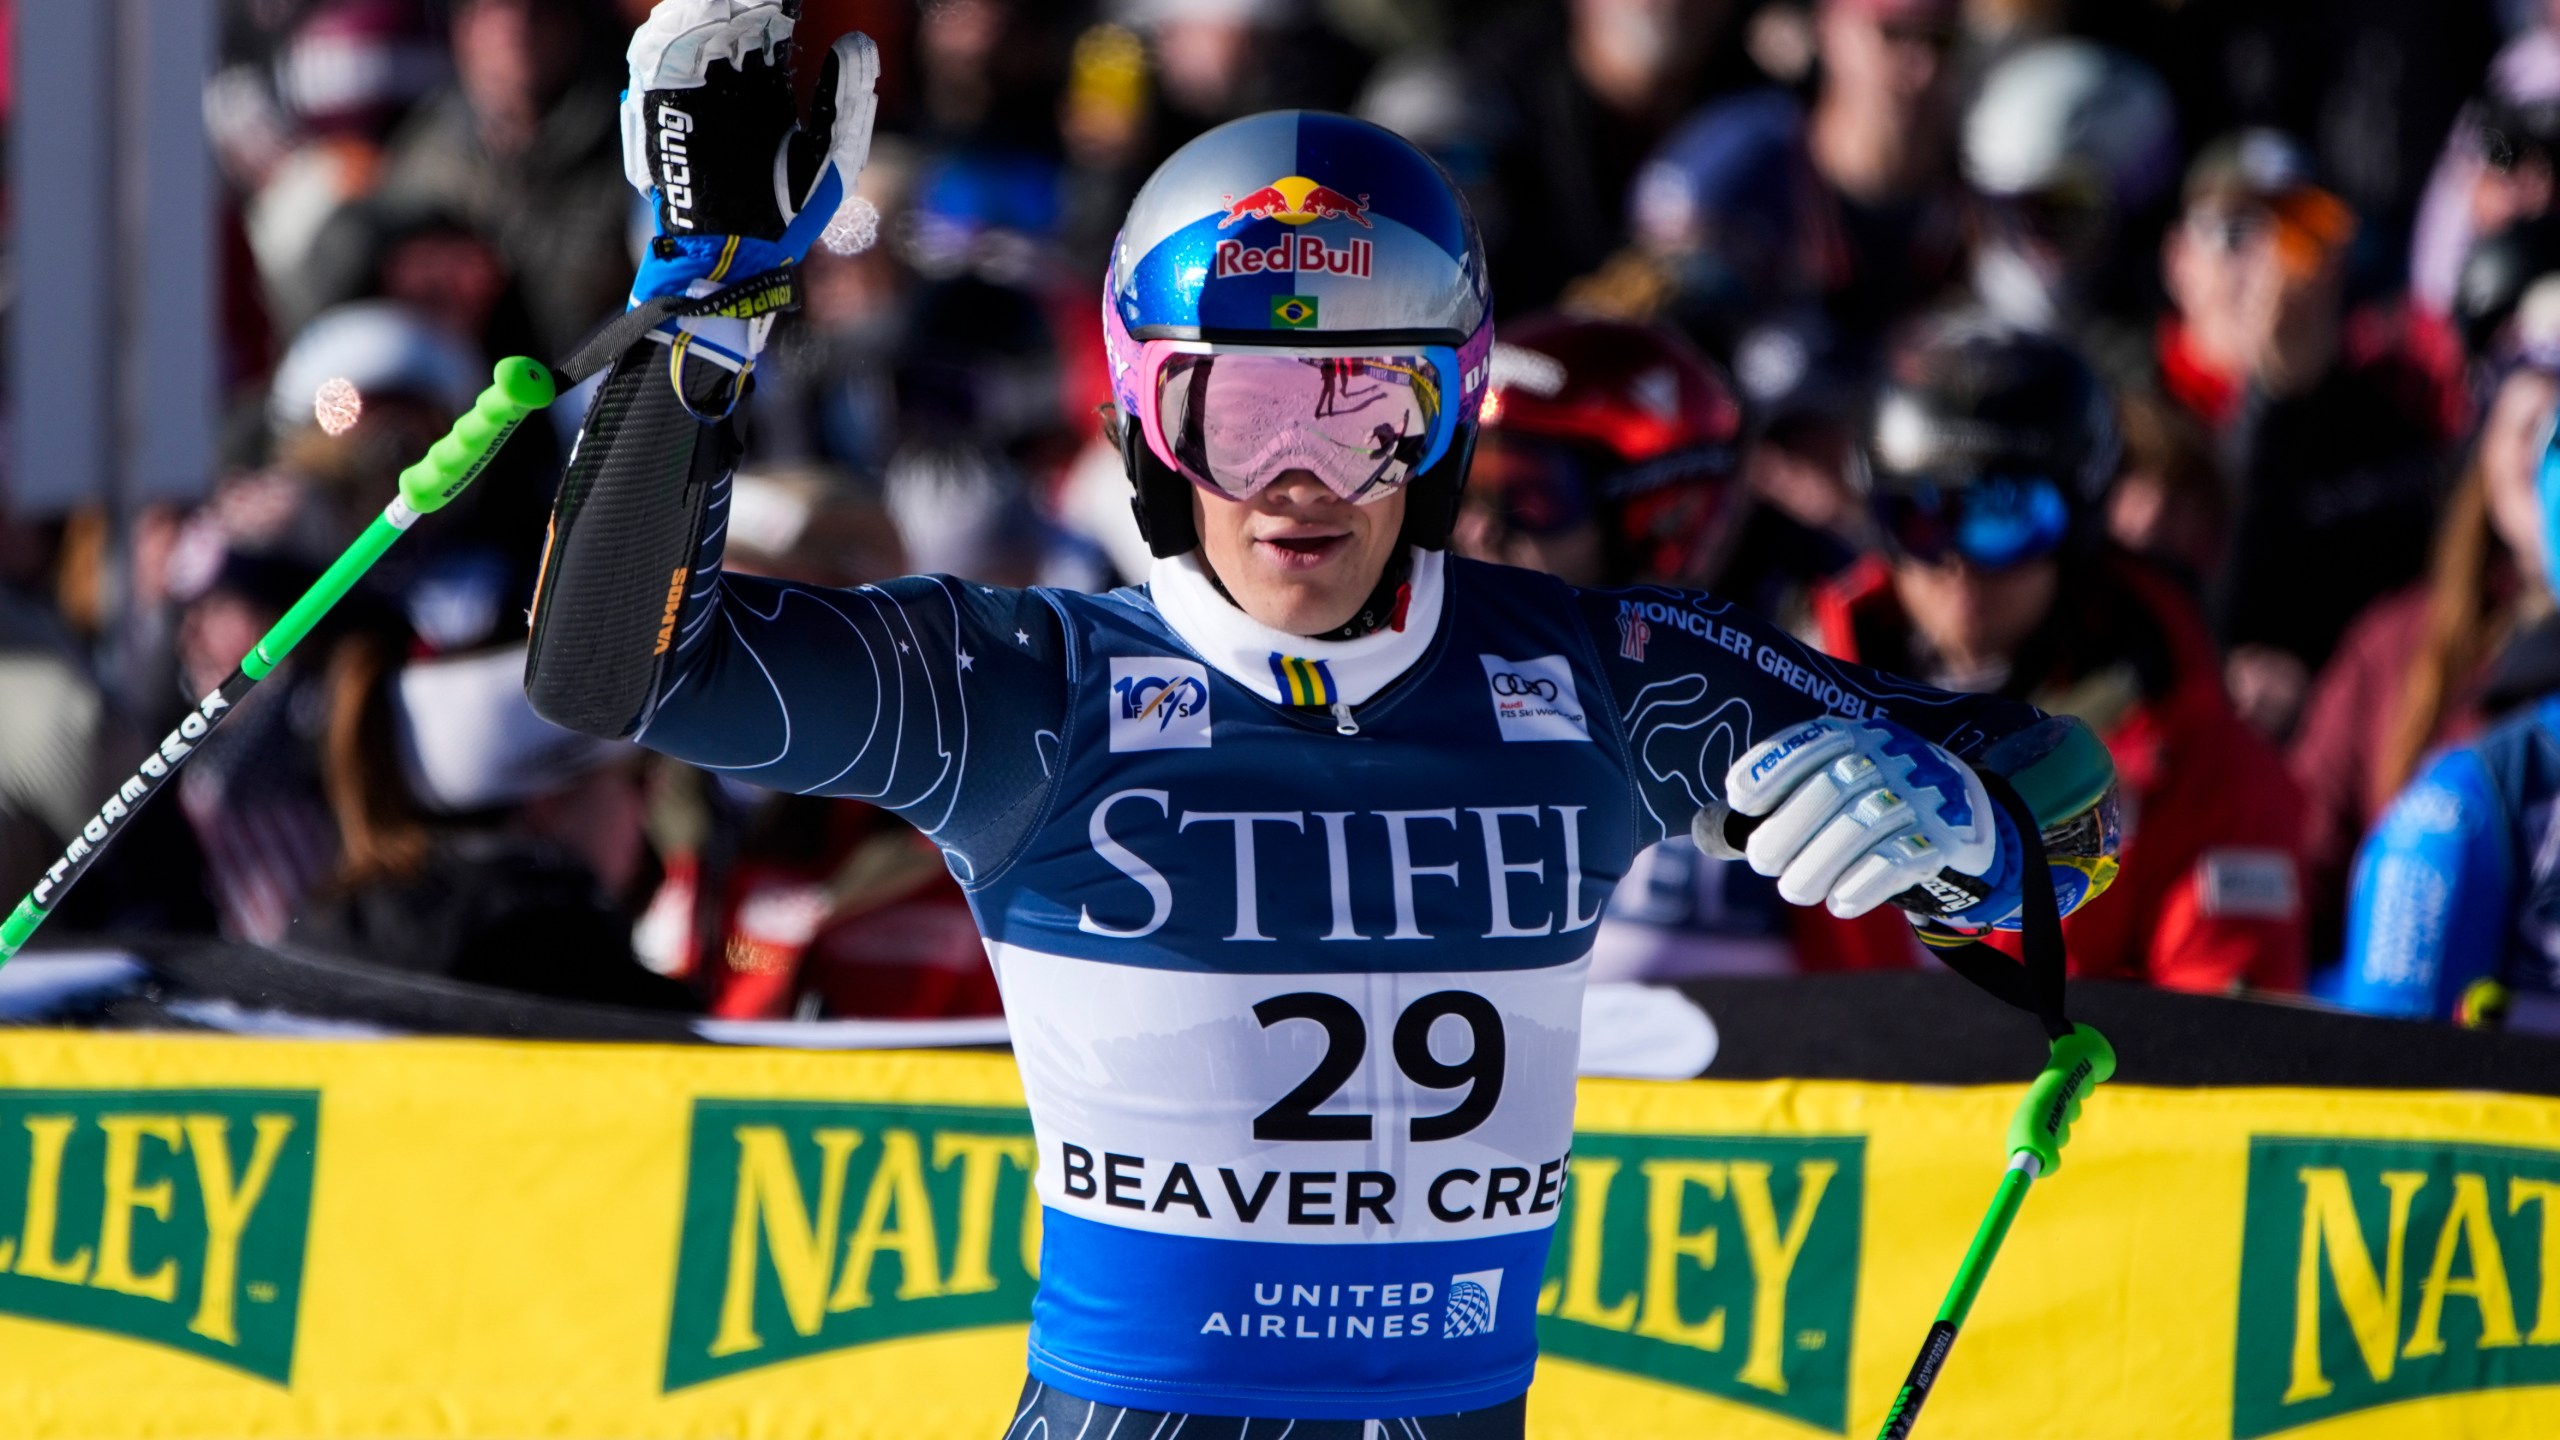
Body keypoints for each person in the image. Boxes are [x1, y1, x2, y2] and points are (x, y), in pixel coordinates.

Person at [522, 6, 2119, 1430]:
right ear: (1146, 420)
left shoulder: (1605, 675)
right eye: (1245, 409)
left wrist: (1973, 844)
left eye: (1369, 411)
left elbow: (2070, 795)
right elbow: (613, 670)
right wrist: (706, 322)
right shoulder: (1022, 693)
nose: (1299, 477)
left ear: (1452, 424)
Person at [1809, 314, 2307, 992]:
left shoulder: (2191, 752)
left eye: (2006, 517)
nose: (1960, 563)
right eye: (1921, 516)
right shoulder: (1786, 711)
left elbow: (2225, 1034)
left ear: (2078, 525)